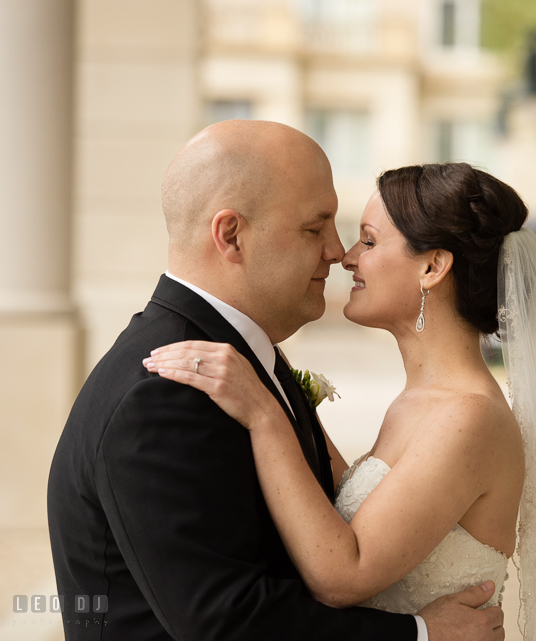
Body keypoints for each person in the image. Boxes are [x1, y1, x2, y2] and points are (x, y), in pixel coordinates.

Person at [47, 120, 504, 641]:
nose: (338, 252)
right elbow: (225, 619)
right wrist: (419, 634)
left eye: (360, 237)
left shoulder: (246, 365)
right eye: (315, 228)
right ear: (231, 236)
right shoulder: (166, 391)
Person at [144, 163, 536, 639]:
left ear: (432, 267)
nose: (346, 258)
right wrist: (283, 394)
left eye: (368, 240)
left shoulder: (470, 416)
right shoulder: (422, 401)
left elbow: (343, 575)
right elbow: (365, 509)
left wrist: (264, 415)